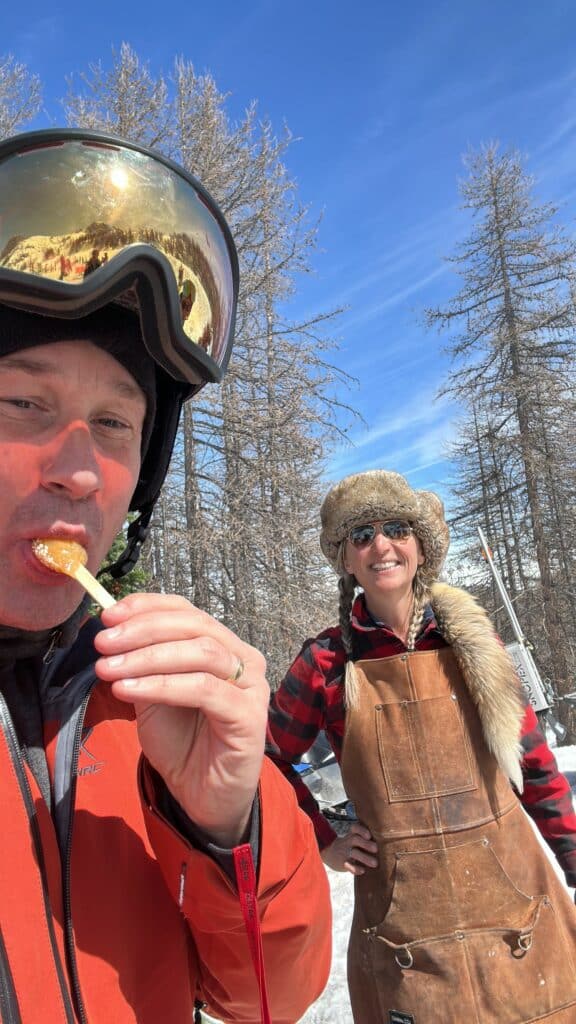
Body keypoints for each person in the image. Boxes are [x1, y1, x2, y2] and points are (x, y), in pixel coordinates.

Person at [0, 128, 331, 1024]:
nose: (80, 470)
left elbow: (269, 1000)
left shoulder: (139, 702)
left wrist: (226, 825)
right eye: (25, 402)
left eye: (116, 425)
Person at [268, 469, 576, 1023]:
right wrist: (324, 838)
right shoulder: (325, 663)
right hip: (405, 930)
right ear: (346, 560)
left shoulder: (475, 647)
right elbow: (267, 761)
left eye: (396, 529)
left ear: (420, 547)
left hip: (515, 911)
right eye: (362, 535)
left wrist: (574, 860)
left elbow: (535, 766)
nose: (381, 545)